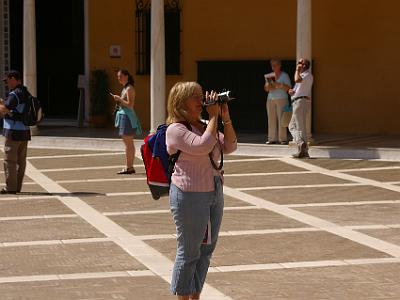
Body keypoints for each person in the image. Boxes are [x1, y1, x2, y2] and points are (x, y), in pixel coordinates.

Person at [166, 82, 237, 300]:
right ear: (181, 102)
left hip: (213, 192)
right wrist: (214, 118)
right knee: (189, 252)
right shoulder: (175, 129)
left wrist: (224, 117)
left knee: (206, 251)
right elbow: (202, 146)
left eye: (201, 96)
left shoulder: (205, 125)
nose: (202, 101)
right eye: (196, 97)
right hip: (189, 194)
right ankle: (183, 297)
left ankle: (195, 296)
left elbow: (231, 146)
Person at [0, 70, 31, 194]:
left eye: (7, 80)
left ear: (13, 79)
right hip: (25, 132)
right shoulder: (26, 92)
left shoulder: (15, 94)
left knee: (10, 161)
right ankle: (17, 187)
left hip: (13, 132)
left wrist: (1, 104)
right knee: (21, 161)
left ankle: (10, 188)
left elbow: (4, 110)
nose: (7, 83)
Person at [110, 69, 142, 174]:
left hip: (128, 117)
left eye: (120, 76)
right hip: (124, 116)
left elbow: (130, 104)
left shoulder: (129, 88)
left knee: (128, 142)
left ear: (126, 76)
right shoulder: (125, 88)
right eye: (118, 77)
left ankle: (129, 167)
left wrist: (119, 99)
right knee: (127, 142)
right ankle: (129, 167)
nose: (119, 78)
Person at [288, 58, 314, 158]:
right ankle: (304, 150)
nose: (297, 64)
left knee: (295, 126)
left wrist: (297, 70)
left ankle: (300, 143)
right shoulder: (304, 76)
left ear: (303, 65)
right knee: (298, 127)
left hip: (300, 102)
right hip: (299, 101)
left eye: (299, 63)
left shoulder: (306, 75)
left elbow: (297, 79)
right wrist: (292, 91)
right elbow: (297, 88)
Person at [264, 59, 291, 145]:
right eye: (272, 65)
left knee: (282, 119)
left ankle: (282, 139)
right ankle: (272, 138)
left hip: (282, 98)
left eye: (275, 65)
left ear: (280, 65)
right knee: (271, 119)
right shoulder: (269, 75)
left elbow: (288, 88)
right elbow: (266, 89)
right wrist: (269, 85)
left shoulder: (284, 75)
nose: (274, 67)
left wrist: (279, 85)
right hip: (271, 99)